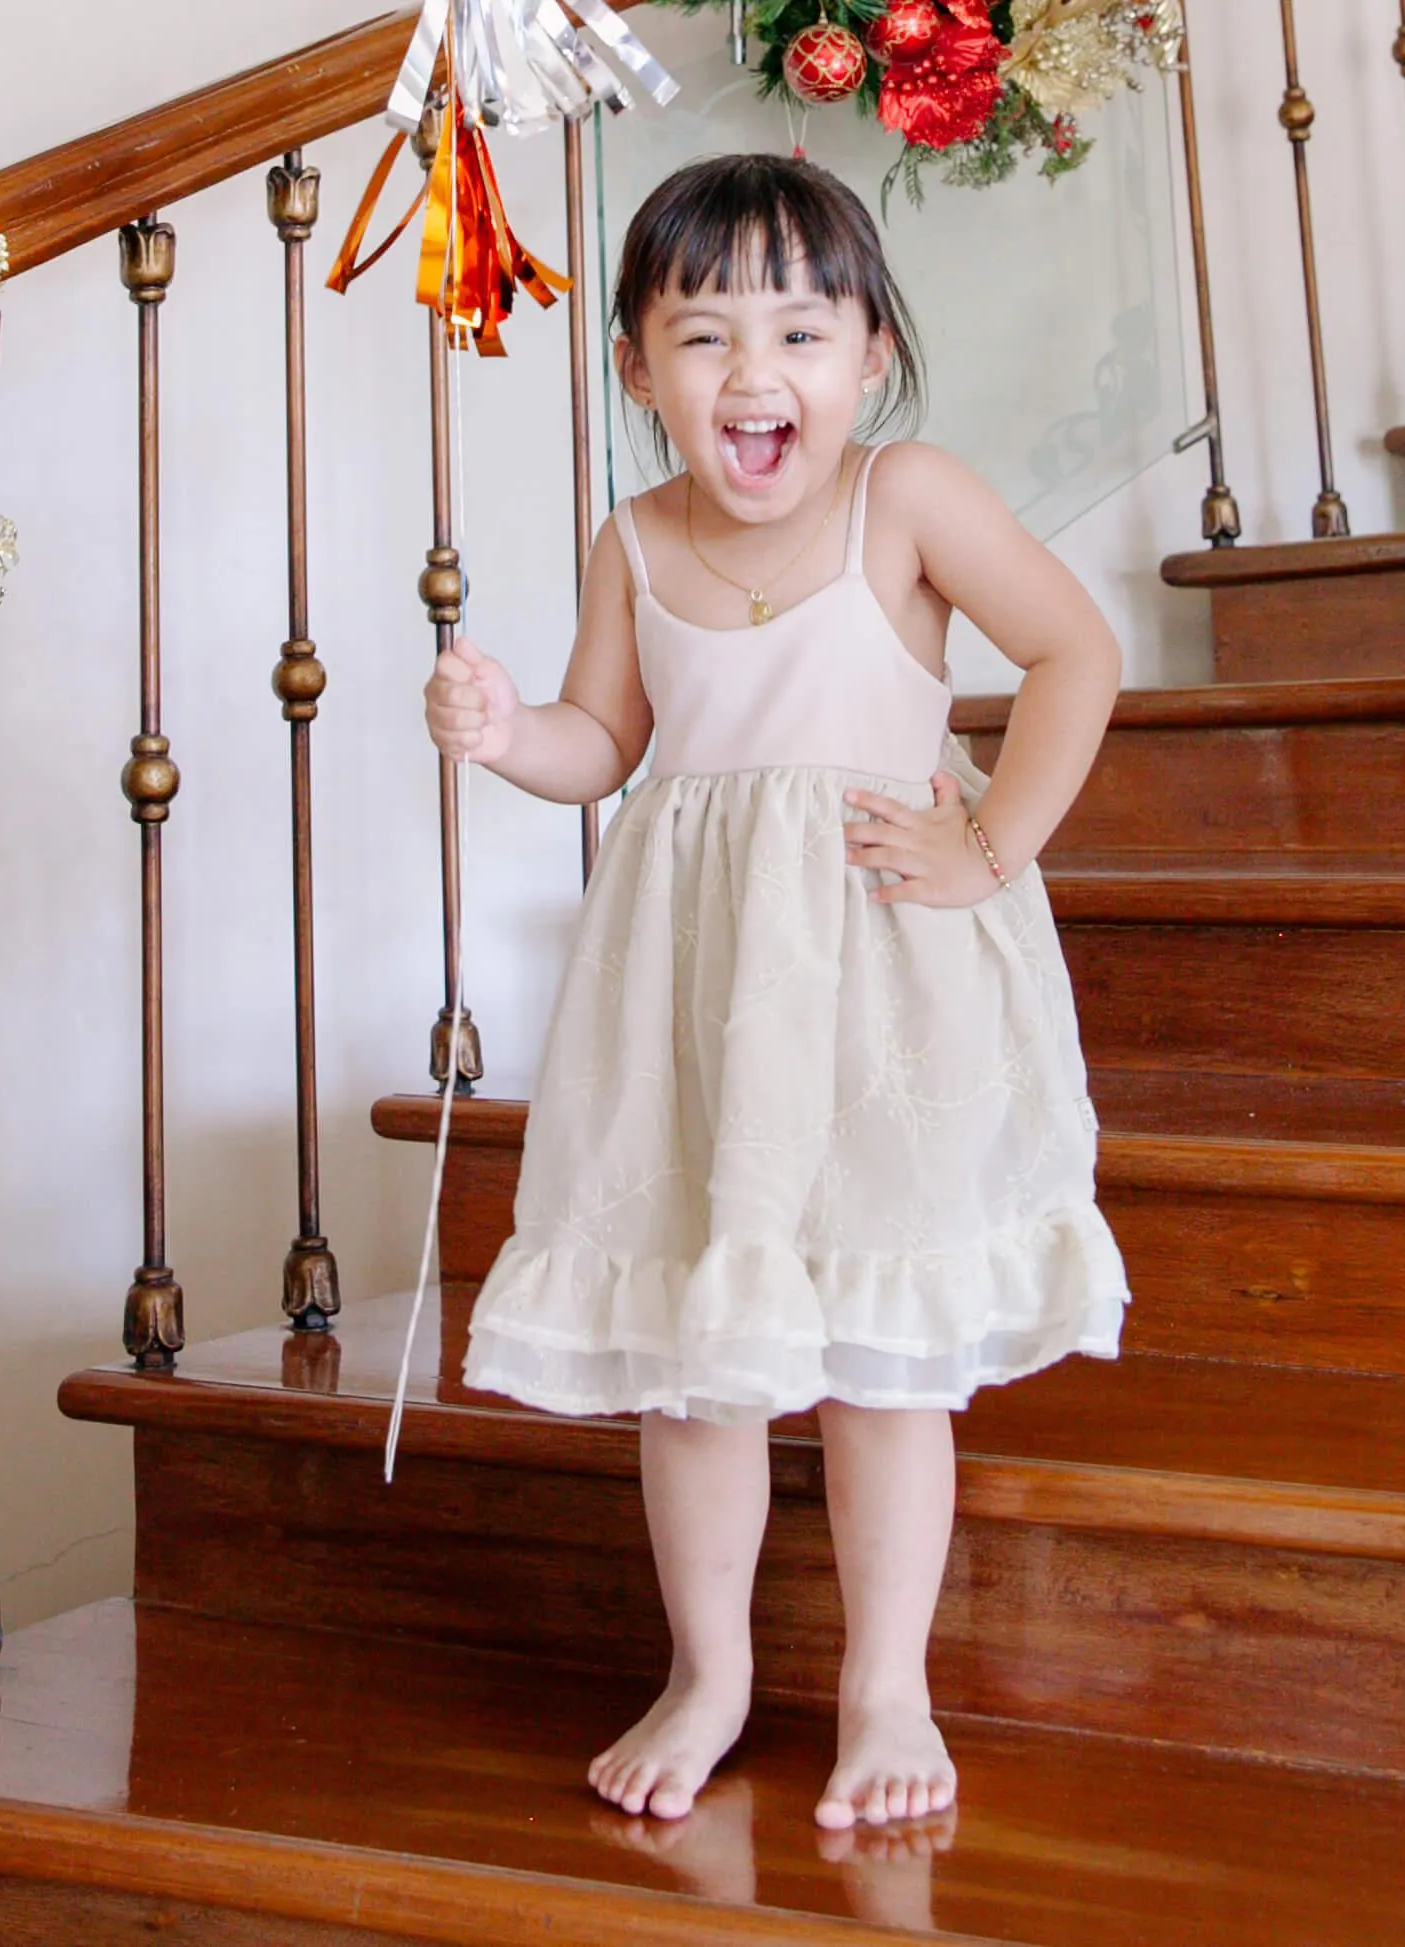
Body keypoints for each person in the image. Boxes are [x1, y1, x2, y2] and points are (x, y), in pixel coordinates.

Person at [423, 152, 1127, 1832]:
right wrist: (509, 734)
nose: (755, 375)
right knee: (696, 1353)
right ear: (634, 368)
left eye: (799, 333)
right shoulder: (633, 540)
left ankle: (887, 1681)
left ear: (867, 355)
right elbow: (610, 739)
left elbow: (1073, 651)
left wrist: (994, 840)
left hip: (884, 978)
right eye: (703, 335)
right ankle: (710, 1665)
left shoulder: (905, 499)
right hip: (697, 998)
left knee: (885, 1350)